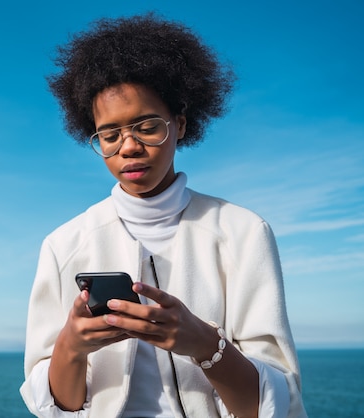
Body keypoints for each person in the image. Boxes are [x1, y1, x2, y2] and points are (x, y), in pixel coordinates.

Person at [20, 13, 307, 418]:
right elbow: (58, 409)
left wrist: (205, 344)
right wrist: (72, 344)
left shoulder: (244, 233)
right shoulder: (63, 245)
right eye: (109, 134)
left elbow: (274, 402)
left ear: (181, 124)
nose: (129, 146)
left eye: (147, 126)